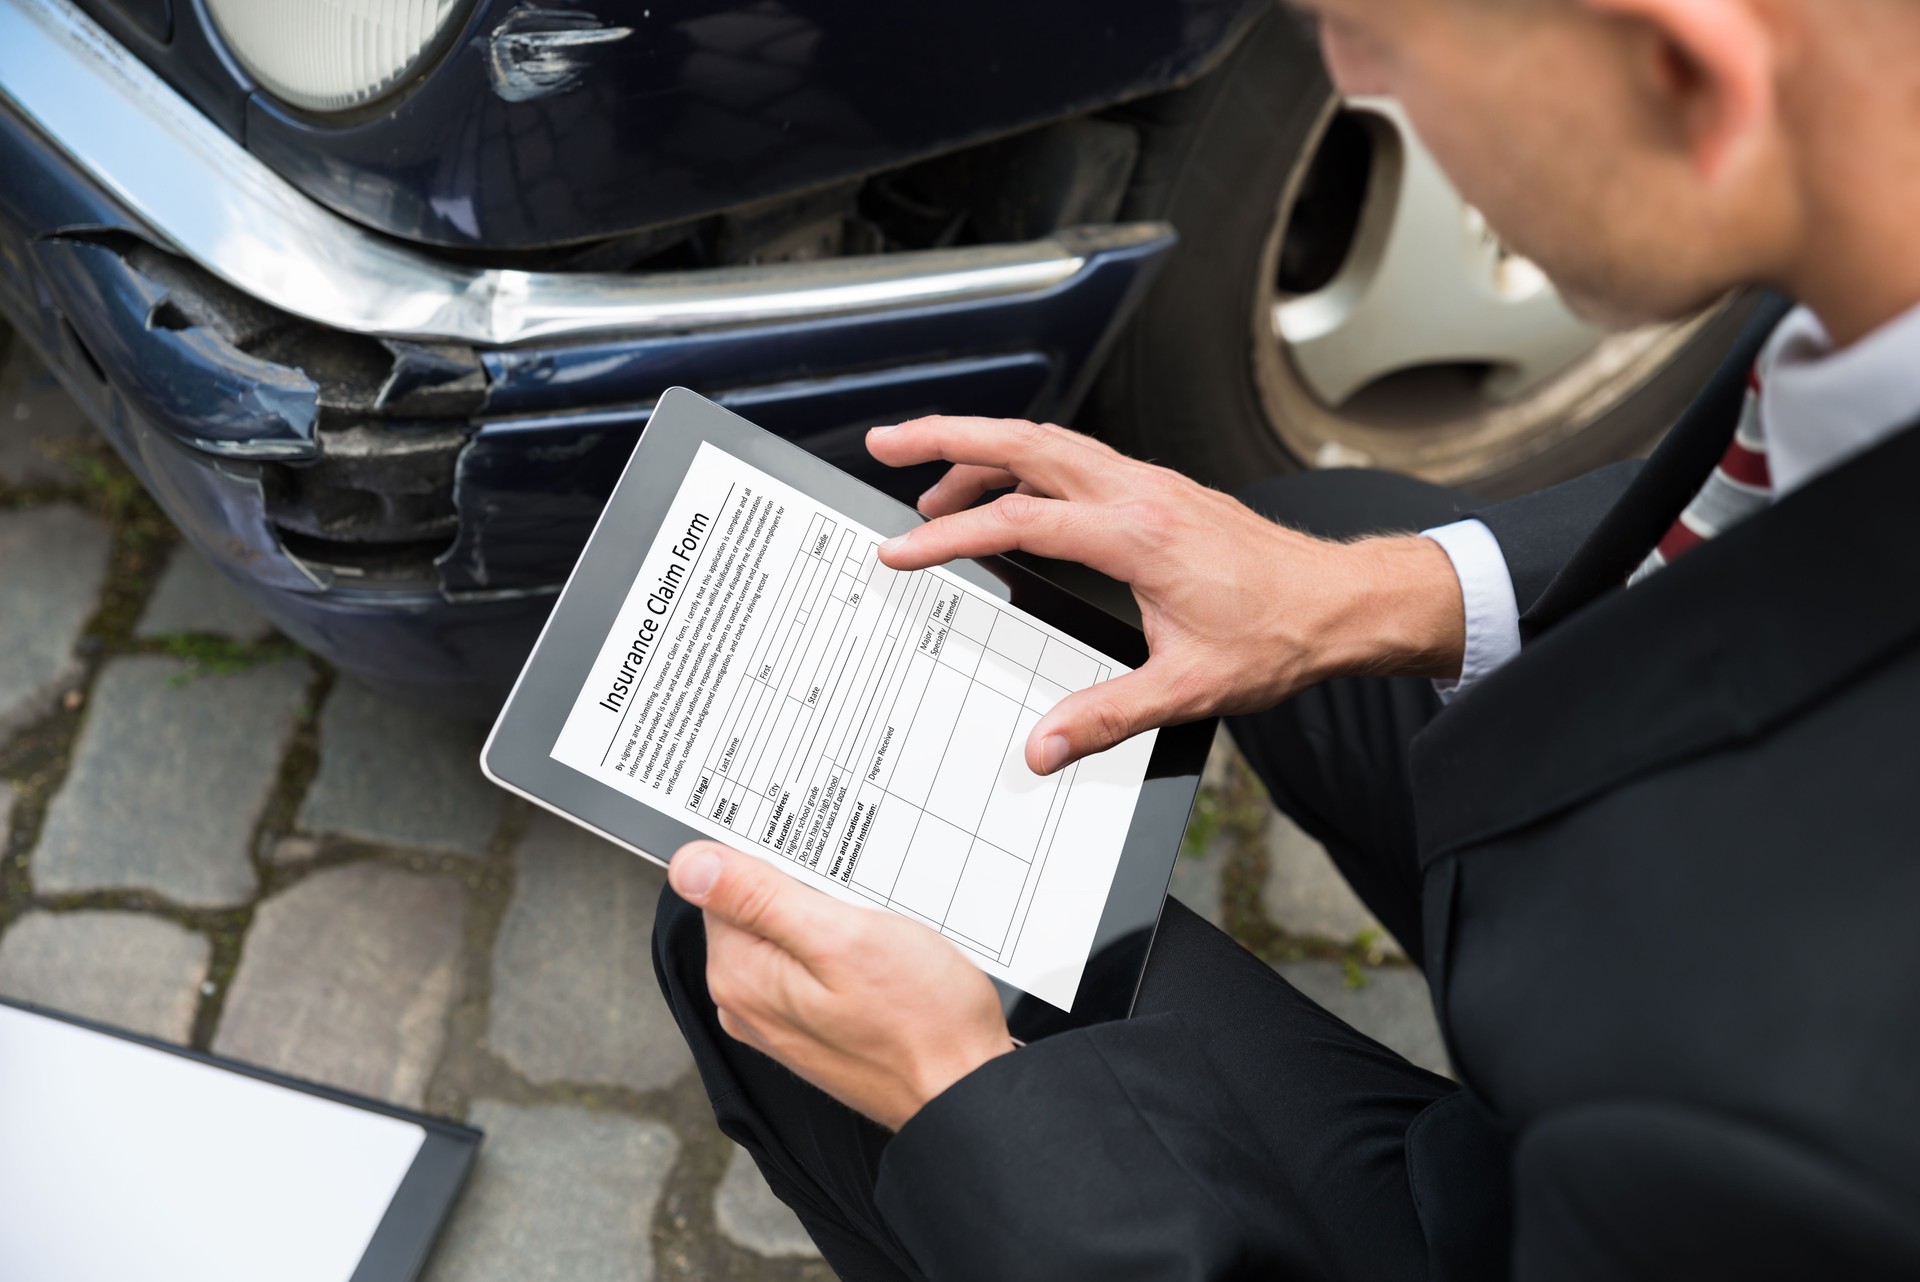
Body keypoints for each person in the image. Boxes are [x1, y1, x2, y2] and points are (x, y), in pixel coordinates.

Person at [653, 0, 1920, 1276]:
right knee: (1328, 528)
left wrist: (962, 1096)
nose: (1350, 79)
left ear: (1684, 72)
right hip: (1663, 866)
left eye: (1369, 30)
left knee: (776, 946)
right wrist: (1374, 598)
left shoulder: (1807, 1122)